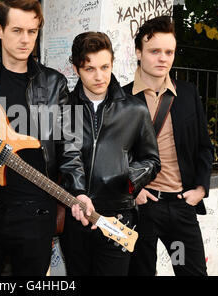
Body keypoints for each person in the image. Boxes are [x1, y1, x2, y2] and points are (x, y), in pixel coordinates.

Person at [0, 0, 94, 276]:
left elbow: (70, 146)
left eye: (32, 31)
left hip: (35, 211)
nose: (25, 39)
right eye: (17, 30)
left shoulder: (55, 83)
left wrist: (79, 192)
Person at [59, 32, 161, 276]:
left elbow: (152, 160)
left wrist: (126, 180)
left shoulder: (135, 109)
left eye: (105, 67)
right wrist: (78, 193)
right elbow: (66, 158)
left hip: (118, 218)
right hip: (76, 217)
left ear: (112, 63)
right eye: (89, 68)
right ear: (76, 69)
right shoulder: (65, 110)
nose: (99, 76)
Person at [124, 16, 213, 276]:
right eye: (154, 51)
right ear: (138, 52)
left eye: (169, 52)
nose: (163, 58)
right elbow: (109, 155)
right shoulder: (121, 98)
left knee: (192, 272)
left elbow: (204, 147)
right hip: (142, 208)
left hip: (181, 206)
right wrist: (132, 191)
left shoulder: (187, 94)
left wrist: (200, 188)